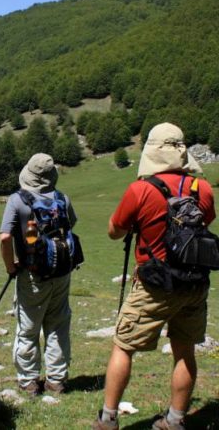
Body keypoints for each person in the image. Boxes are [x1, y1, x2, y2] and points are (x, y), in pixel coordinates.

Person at [92, 123, 216, 430]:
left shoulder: (141, 189)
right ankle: (174, 420)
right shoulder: (203, 189)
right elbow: (205, 220)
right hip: (194, 282)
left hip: (155, 283)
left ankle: (108, 419)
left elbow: (114, 231)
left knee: (123, 345)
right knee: (184, 349)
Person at [0, 153, 77, 396]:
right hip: (62, 271)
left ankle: (29, 381)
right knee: (58, 325)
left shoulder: (18, 200)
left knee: (29, 329)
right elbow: (70, 227)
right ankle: (56, 381)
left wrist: (10, 266)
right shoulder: (63, 198)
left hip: (32, 274)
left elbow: (4, 237)